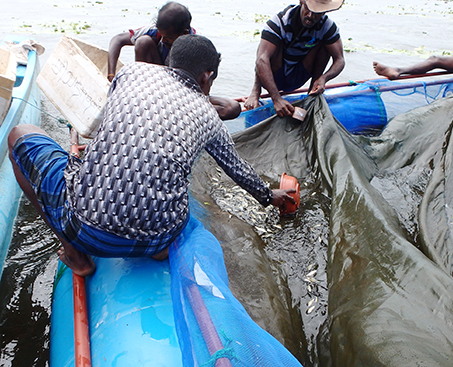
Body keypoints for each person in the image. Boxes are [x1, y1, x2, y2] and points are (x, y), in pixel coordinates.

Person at [8, 35, 296, 277]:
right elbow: (236, 168)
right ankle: (157, 249)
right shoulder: (209, 116)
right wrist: (269, 196)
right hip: (158, 237)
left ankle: (76, 255)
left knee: (19, 134)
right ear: (206, 77)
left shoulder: (132, 73)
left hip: (83, 228)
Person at [107, 1, 241, 120]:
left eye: (168, 37)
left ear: (184, 33)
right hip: (155, 89)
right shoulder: (156, 32)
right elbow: (117, 40)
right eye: (162, 35)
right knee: (143, 42)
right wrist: (111, 75)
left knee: (232, 108)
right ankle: (149, 99)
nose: (163, 40)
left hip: (186, 97)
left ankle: (186, 114)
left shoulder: (197, 47)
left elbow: (204, 85)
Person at [243, 0, 346, 116]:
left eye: (317, 13)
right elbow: (261, 60)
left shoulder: (327, 27)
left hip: (298, 76)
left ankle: (312, 95)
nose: (310, 16)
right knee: (268, 49)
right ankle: (257, 91)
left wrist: (324, 78)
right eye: (308, 9)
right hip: (275, 76)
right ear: (302, 2)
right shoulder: (279, 22)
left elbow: (340, 60)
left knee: (325, 45)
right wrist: (275, 99)